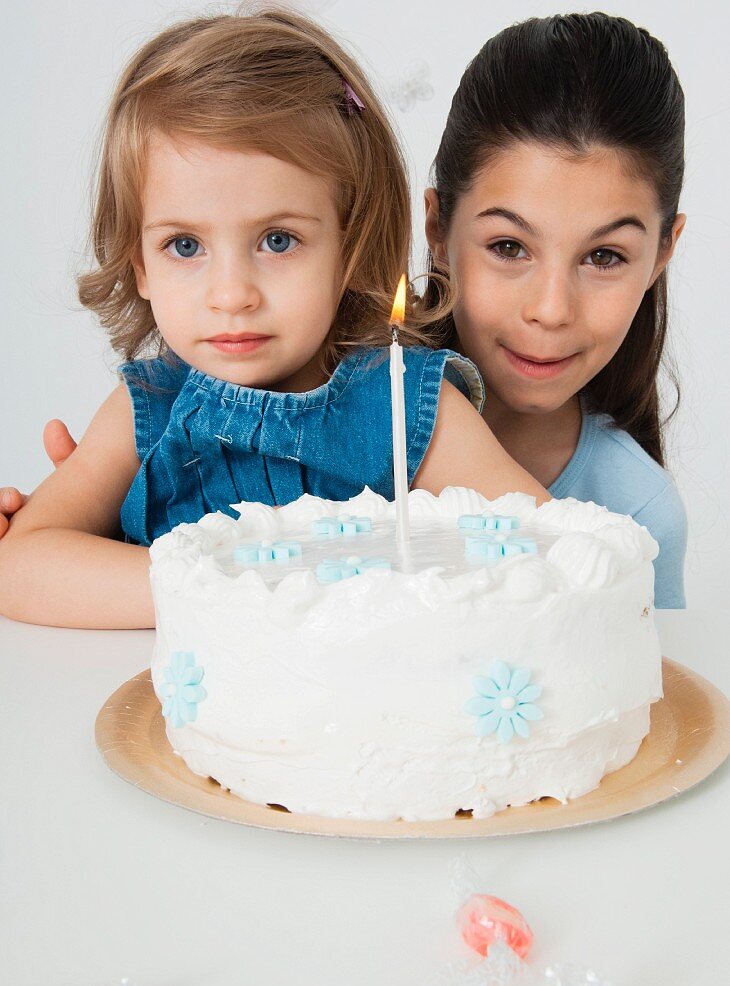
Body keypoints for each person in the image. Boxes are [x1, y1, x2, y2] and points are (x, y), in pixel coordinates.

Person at [0, 9, 546, 629]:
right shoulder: (147, 410)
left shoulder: (403, 404)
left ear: (351, 245)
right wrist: (233, 594)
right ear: (141, 266)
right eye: (185, 246)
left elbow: (546, 547)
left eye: (278, 241)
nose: (231, 294)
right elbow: (18, 566)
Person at [421, 13, 688, 607]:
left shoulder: (642, 515)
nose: (550, 310)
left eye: (604, 256)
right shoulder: (329, 425)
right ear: (438, 229)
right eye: (509, 247)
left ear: (662, 253)